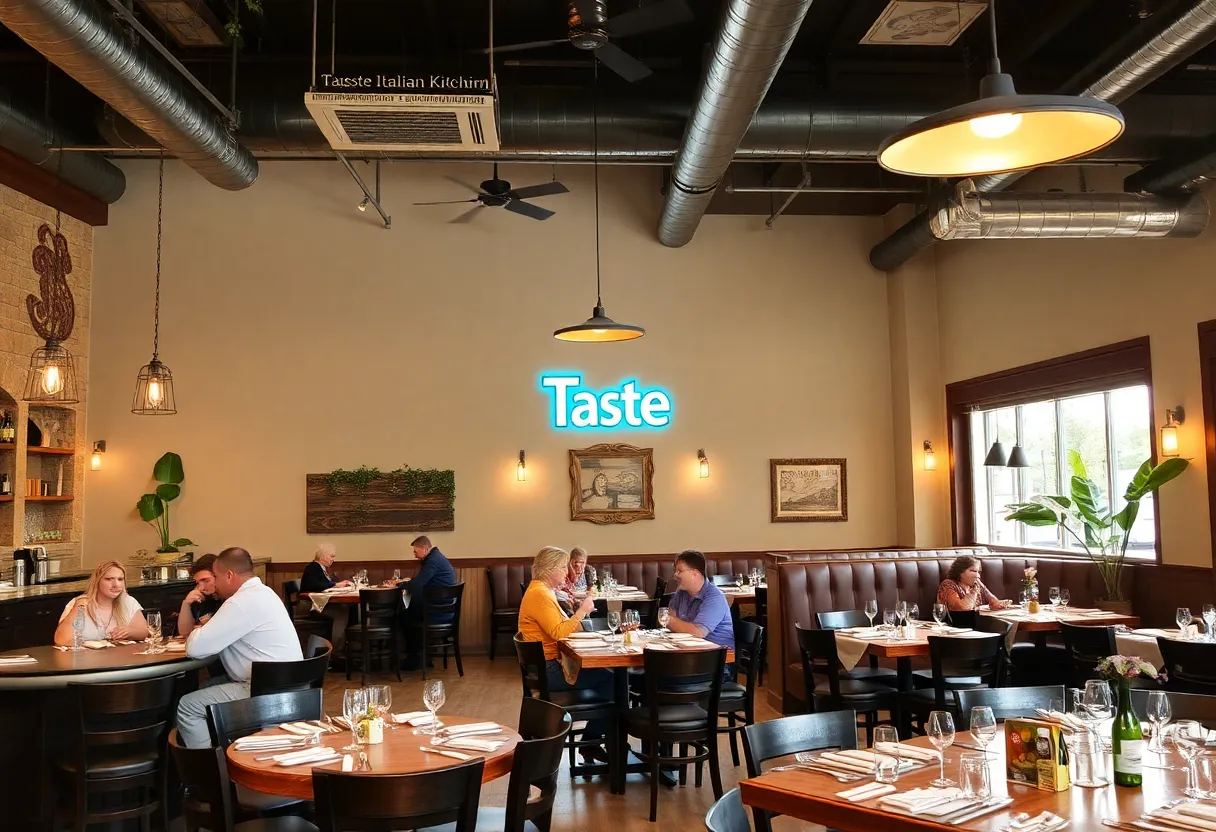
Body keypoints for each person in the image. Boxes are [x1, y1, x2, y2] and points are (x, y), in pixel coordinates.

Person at [177, 547, 303, 748]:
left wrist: (201, 630)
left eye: (215, 577)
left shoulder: (240, 602)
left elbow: (194, 648)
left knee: (188, 706)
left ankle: (212, 765)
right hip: (289, 685)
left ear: (229, 575)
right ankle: (227, 748)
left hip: (266, 691)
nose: (215, 583)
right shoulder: (265, 592)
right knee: (205, 689)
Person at [518, 546, 611, 756]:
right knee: (611, 679)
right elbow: (559, 632)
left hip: (546, 667)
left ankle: (595, 740)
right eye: (562, 567)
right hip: (549, 670)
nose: (566, 572)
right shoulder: (540, 594)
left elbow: (562, 627)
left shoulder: (542, 590)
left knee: (609, 677)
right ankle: (592, 741)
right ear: (549, 569)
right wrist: (582, 611)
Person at [397, 535, 458, 670]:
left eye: (415, 551)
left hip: (438, 613)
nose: (414, 555)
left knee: (403, 617)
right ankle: (423, 656)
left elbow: (418, 584)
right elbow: (421, 583)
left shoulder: (432, 561)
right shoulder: (436, 558)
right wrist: (407, 583)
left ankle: (415, 659)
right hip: (443, 609)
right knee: (408, 613)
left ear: (424, 548)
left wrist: (399, 585)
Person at [54, 561, 150, 646]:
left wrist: (130, 632)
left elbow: (146, 633)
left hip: (120, 657)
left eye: (120, 579)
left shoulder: (128, 602)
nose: (116, 584)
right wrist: (77, 608)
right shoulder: (80, 603)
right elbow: (61, 640)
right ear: (97, 581)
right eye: (109, 579)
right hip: (86, 658)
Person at [667, 550, 735, 652]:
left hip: (717, 657)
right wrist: (670, 621)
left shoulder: (714, 597)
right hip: (689, 651)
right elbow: (671, 620)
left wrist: (668, 620)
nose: (675, 575)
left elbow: (697, 632)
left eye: (679, 571)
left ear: (695, 574)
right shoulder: (681, 593)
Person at [937, 555, 1011, 611]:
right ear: (960, 572)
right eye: (973, 571)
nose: (977, 575)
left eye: (978, 572)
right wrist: (974, 593)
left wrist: (997, 603)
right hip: (953, 624)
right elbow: (961, 608)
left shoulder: (976, 584)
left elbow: (993, 601)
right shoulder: (948, 584)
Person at [177, 553, 222, 638]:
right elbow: (184, 632)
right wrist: (186, 604)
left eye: (206, 580)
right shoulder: (200, 597)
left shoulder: (230, 599)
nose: (201, 588)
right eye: (197, 583)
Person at [555, 546, 593, 613]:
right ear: (571, 561)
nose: (579, 567)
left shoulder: (587, 570)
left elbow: (590, 590)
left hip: (577, 603)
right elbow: (558, 592)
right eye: (576, 563)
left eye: (583, 563)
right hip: (565, 605)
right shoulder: (564, 572)